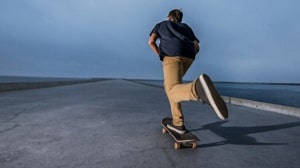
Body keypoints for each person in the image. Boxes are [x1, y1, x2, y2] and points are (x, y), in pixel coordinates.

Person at [148, 9, 228, 134]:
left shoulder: (161, 25)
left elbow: (151, 42)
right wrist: (190, 56)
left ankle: (196, 89)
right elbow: (196, 46)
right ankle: (178, 122)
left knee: (171, 90)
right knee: (174, 87)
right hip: (188, 56)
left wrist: (161, 56)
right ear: (179, 18)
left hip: (171, 56)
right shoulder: (186, 27)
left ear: (169, 17)